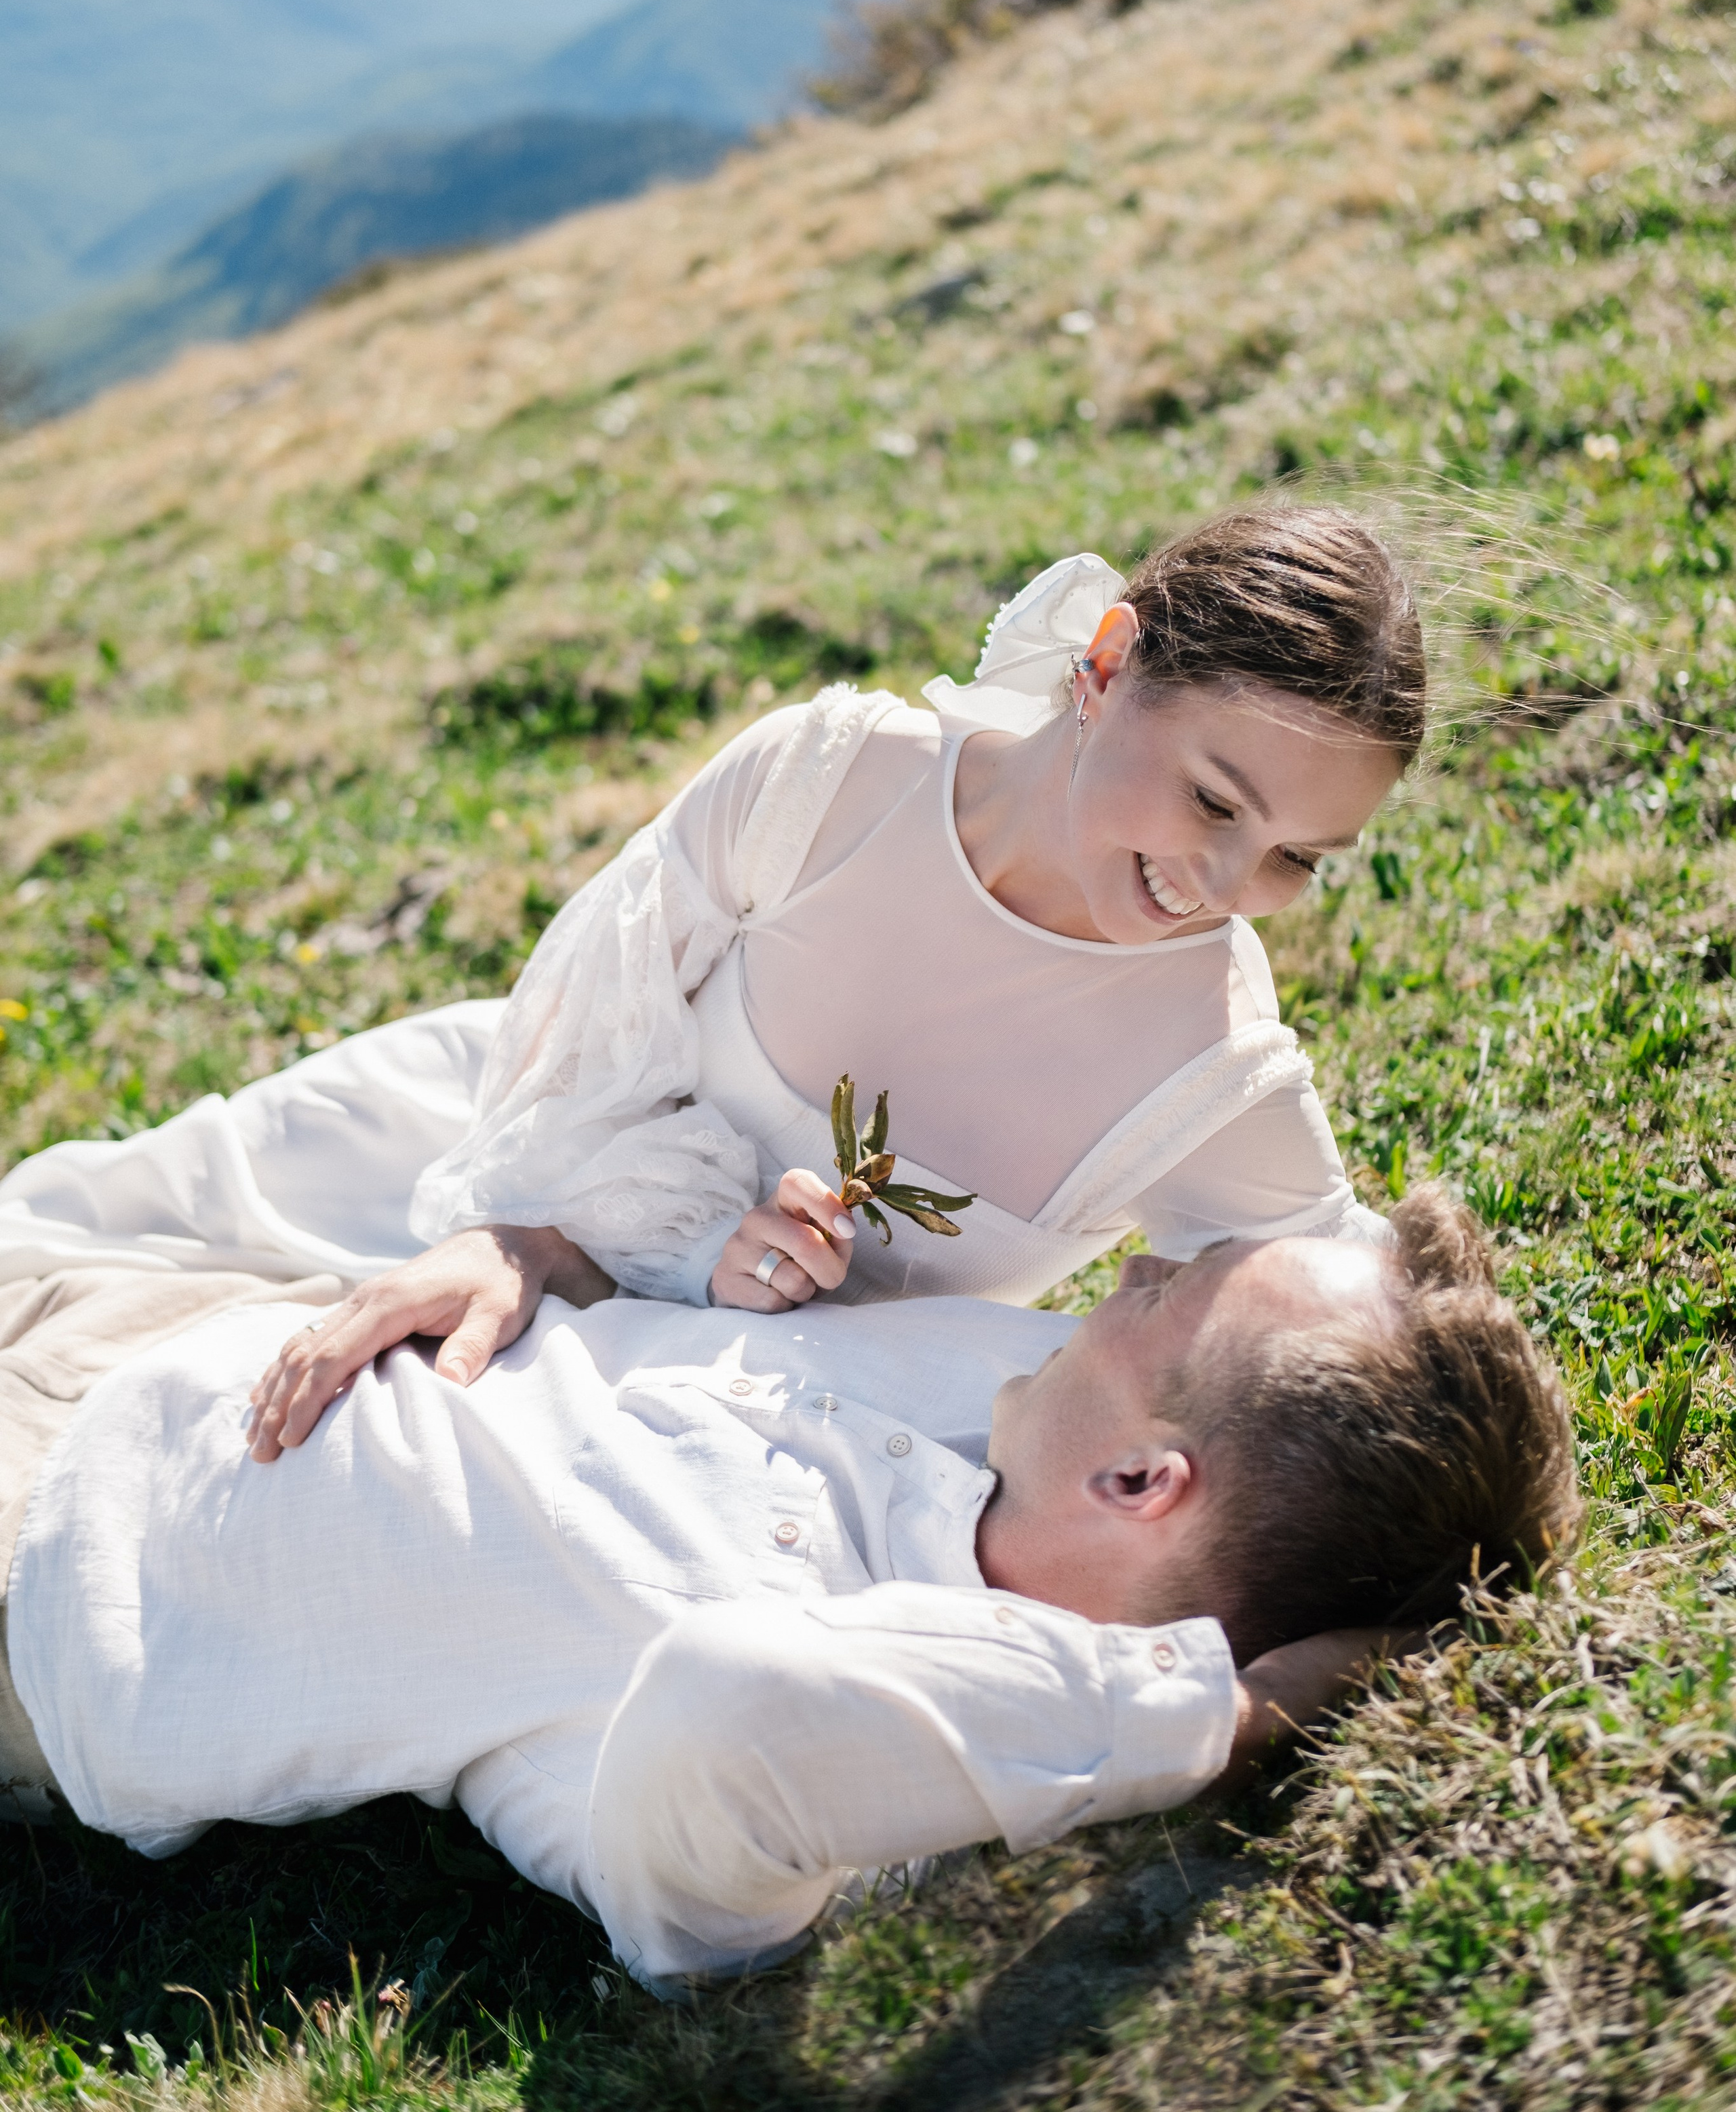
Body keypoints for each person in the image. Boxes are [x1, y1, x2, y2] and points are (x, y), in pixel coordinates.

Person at [0, 508, 1426, 1462]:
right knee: (67, 1249)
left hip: (703, 1417)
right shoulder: (827, 779)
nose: (1230, 884)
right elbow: (580, 1046)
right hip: (491, 1157)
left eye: (1300, 857)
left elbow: (1343, 1320)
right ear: (1108, 664)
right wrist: (547, 1237)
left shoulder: (1211, 1076)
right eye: (1213, 802)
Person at [0, 1192, 1576, 1992]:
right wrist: (552, 1251)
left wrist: (1219, 1709)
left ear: (1142, 1486)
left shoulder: (806, 1757)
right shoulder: (1005, 1389)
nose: (1133, 1272)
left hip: (47, 1582)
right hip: (189, 1321)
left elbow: (737, 1706)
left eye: (1167, 1295)